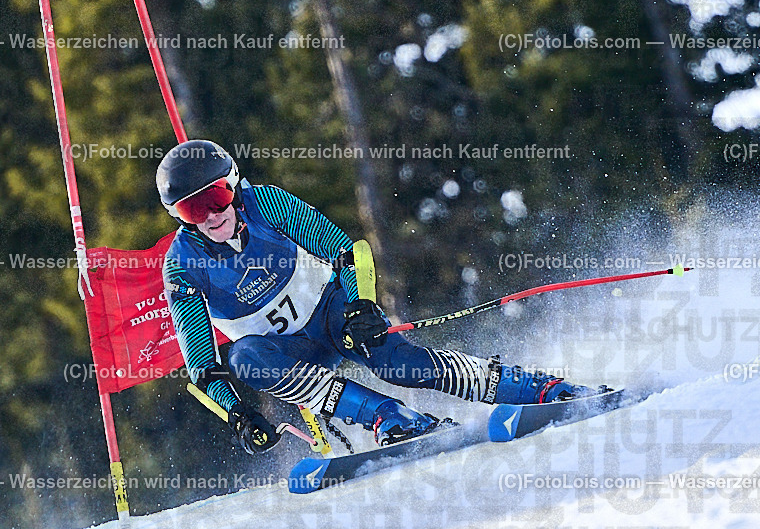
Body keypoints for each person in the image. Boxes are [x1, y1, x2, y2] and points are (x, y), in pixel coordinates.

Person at [159, 140, 599, 455]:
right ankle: (392, 418)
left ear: (234, 187)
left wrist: (361, 305)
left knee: (399, 364)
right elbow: (203, 368)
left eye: (216, 198)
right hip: (285, 353)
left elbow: (346, 251)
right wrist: (238, 413)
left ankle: (540, 388)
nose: (210, 216)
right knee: (244, 358)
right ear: (178, 217)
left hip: (332, 314)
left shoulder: (266, 204)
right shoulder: (182, 265)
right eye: (192, 210)